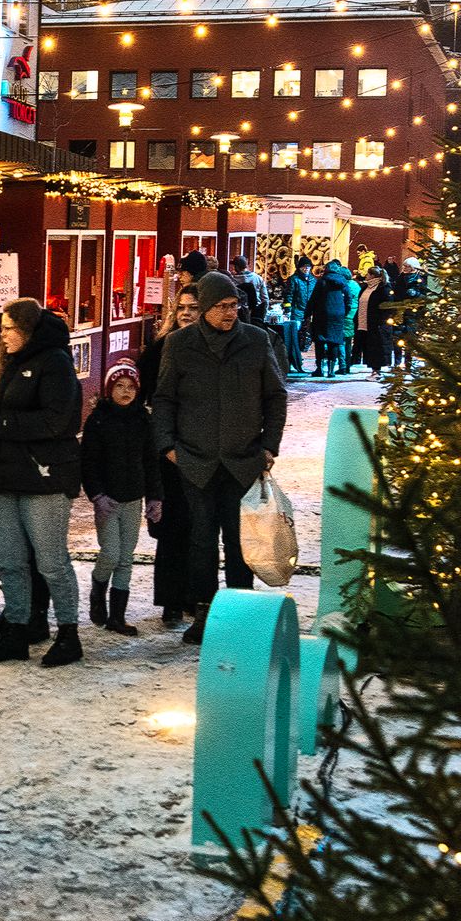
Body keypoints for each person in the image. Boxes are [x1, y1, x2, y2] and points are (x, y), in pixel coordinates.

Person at [152, 271, 289, 645]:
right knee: (201, 540)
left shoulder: (257, 341)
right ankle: (204, 612)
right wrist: (167, 446)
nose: (230, 313)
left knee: (240, 540)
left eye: (234, 305)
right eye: (222, 307)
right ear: (206, 309)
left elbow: (276, 397)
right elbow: (163, 398)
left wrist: (269, 446)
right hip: (194, 460)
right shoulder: (179, 344)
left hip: (243, 459)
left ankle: (240, 614)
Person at [0, 299, 85, 668]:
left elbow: (57, 421)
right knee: (9, 560)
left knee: (51, 562)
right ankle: (17, 629)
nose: (1, 334)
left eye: (7, 328)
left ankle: (69, 633)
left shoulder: (55, 363)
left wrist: (1, 426)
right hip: (6, 475)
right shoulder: (14, 362)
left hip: (45, 478)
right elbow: (3, 406)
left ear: (27, 329)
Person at [79, 361, 162, 637]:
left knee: (126, 558)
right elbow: (88, 462)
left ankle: (117, 616)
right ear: (109, 390)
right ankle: (97, 588)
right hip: (108, 500)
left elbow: (151, 462)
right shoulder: (98, 420)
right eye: (119, 386)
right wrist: (97, 495)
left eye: (130, 387)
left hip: (132, 498)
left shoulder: (143, 419)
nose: (125, 392)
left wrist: (154, 498)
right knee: (110, 553)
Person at [139, 285, 200, 627]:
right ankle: (171, 602)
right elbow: (143, 394)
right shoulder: (161, 348)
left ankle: (195, 596)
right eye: (182, 308)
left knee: (199, 528)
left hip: (204, 451)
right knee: (172, 527)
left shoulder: (213, 349)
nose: (187, 313)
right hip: (169, 451)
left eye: (193, 307)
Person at [308, 259, 354, 378]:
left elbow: (313, 299)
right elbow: (349, 298)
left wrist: (307, 314)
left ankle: (319, 368)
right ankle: (331, 370)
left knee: (320, 341)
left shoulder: (322, 281)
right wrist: (344, 312)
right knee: (334, 342)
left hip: (321, 314)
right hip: (338, 315)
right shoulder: (342, 282)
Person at [357, 264, 394, 378]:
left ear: (372, 275)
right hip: (364, 323)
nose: (366, 276)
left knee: (377, 347)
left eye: (368, 274)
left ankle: (377, 371)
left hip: (377, 324)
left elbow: (387, 307)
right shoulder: (365, 287)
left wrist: (381, 320)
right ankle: (373, 370)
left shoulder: (383, 288)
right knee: (369, 347)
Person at [283, 256, 317, 375]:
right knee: (296, 335)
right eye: (304, 267)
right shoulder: (294, 279)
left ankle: (301, 354)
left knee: (306, 336)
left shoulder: (313, 280)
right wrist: (288, 308)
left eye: (308, 267)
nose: (306, 269)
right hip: (297, 312)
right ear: (300, 268)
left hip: (309, 312)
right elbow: (289, 295)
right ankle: (296, 357)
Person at [228, 255, 267, 326]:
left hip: (238, 314)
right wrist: (262, 316)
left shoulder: (231, 280)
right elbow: (265, 299)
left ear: (236, 267)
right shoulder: (258, 278)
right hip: (256, 314)